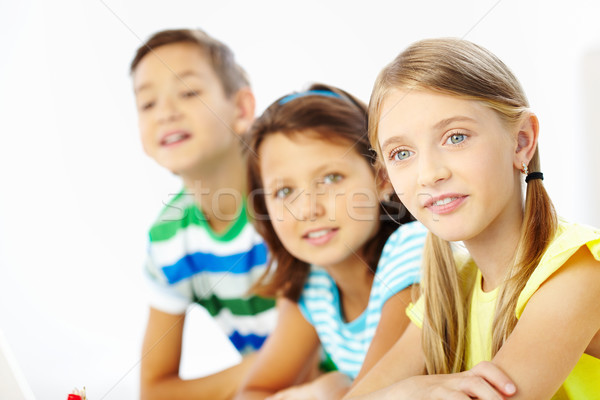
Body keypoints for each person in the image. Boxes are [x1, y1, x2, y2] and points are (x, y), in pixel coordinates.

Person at [344, 38, 600, 400]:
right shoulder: (452, 287)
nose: (428, 174)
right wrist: (414, 390)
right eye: (402, 153)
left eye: (456, 137)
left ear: (521, 142)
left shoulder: (578, 269)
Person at [235, 83, 428, 400]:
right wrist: (320, 391)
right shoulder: (313, 286)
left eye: (331, 178)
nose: (309, 209)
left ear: (382, 179)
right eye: (284, 192)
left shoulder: (412, 250)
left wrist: (330, 393)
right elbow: (253, 393)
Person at [130, 29, 277, 400]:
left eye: (189, 92)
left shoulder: (290, 199)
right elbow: (155, 390)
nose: (165, 113)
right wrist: (260, 369)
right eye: (147, 104)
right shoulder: (170, 240)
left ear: (242, 109)